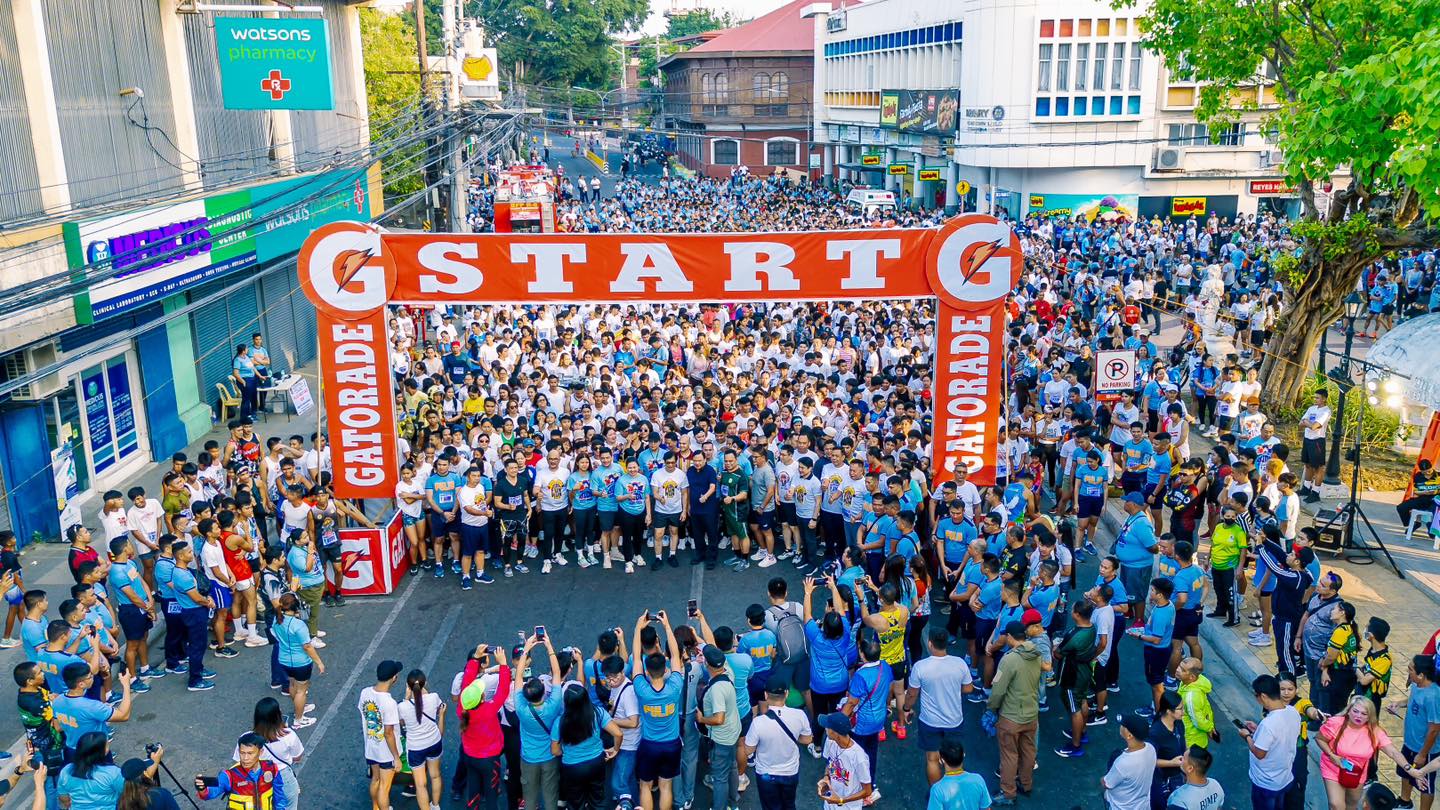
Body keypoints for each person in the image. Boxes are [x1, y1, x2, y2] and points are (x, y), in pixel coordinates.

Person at [906, 627, 974, 784]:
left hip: (930, 721)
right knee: (954, 759)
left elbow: (912, 694)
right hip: (954, 720)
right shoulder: (959, 663)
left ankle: (936, 792)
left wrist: (906, 709)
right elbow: (968, 688)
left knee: (932, 759)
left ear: (930, 643)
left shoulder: (920, 667)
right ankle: (954, 791)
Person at [1315, 695, 1407, 810]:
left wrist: (1410, 769)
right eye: (1355, 711)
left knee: (1352, 804)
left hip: (1357, 772)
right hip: (1333, 766)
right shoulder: (1335, 723)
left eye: (1364, 714)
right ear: (1348, 711)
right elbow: (1320, 739)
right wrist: (1331, 754)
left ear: (1369, 717)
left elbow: (1393, 752)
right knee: (1336, 805)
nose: (1358, 716)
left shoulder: (1375, 732)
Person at [986, 621, 1042, 806]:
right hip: (1031, 713)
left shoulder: (1009, 659)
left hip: (1011, 716)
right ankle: (1026, 784)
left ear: (1010, 637)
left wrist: (991, 709)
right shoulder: (1036, 653)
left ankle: (1008, 792)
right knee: (1028, 751)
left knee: (1009, 755)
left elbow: (998, 690)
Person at [743, 676, 813, 810]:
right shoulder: (799, 715)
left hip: (766, 773)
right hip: (790, 771)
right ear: (786, 693)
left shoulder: (758, 723)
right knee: (789, 805)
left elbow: (748, 750)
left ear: (766, 695)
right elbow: (807, 739)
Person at [553, 681, 625, 810]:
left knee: (576, 803)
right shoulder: (598, 713)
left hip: (572, 766)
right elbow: (618, 733)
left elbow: (555, 751)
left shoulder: (560, 722)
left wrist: (566, 752)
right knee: (598, 800)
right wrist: (615, 750)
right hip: (596, 762)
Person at [458, 645, 510, 810]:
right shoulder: (489, 710)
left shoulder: (462, 709)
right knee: (491, 796)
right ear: (482, 698)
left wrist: (474, 659)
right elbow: (503, 690)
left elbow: (465, 685)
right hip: (489, 760)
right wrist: (503, 665)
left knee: (473, 794)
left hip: (470, 757)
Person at [1238, 675, 1302, 810]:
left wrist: (1247, 736)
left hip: (1266, 781)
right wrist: (1257, 730)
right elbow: (1282, 736)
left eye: (1256, 695)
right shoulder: (1293, 712)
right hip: (1284, 776)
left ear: (1263, 696)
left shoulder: (1268, 724)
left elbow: (1259, 753)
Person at [1388, 656, 1440, 810]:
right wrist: (1399, 704)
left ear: (1421, 675)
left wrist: (1423, 754)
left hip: (1425, 749)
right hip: (1410, 742)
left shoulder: (1434, 697)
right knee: (1406, 771)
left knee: (1425, 783)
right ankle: (1405, 801)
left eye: (1410, 669)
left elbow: (1434, 729)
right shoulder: (1417, 685)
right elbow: (1413, 701)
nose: (1408, 671)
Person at [196, 732, 288, 810]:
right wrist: (202, 789)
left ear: (260, 752)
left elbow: (279, 797)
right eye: (242, 753)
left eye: (250, 753)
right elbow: (209, 794)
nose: (245, 758)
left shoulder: (271, 768)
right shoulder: (230, 775)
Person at [273, 593, 324, 729]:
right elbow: (307, 646)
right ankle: (298, 720)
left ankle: (300, 706)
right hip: (300, 662)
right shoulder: (299, 625)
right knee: (301, 690)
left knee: (292, 684)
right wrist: (319, 662)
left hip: (283, 660)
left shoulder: (277, 620)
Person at [358, 660, 404, 810]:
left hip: (371, 747)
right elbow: (388, 732)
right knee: (384, 787)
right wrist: (396, 757)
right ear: (394, 678)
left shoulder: (365, 692)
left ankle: (375, 807)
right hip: (386, 753)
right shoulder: (389, 703)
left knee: (375, 780)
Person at [243, 698, 304, 810]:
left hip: (257, 781)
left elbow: (241, 762)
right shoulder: (289, 735)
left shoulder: (246, 738)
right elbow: (298, 757)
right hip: (284, 779)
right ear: (277, 716)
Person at [816, 712, 872, 810]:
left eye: (827, 727)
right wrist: (826, 777)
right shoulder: (830, 741)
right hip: (830, 803)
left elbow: (867, 791)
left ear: (835, 733)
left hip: (849, 807)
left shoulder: (859, 757)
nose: (825, 729)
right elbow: (829, 762)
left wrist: (841, 800)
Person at [57, 732, 123, 810]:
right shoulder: (113, 773)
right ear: (102, 752)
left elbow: (64, 798)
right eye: (107, 745)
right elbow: (125, 792)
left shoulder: (66, 771)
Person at [1103, 714, 1157, 810]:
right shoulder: (1150, 748)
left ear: (1129, 735)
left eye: (1124, 725)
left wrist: (1102, 779)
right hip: (1143, 805)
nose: (1121, 726)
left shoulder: (1123, 763)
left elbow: (1107, 784)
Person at [1147, 691, 1187, 809]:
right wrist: (1171, 763)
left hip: (1179, 775)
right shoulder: (1155, 733)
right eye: (1180, 709)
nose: (1183, 712)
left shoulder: (1178, 723)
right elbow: (1149, 760)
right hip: (1163, 780)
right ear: (1169, 711)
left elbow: (1183, 743)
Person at [926, 740, 991, 810]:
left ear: (941, 760)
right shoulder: (978, 780)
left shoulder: (937, 789)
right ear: (963, 755)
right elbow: (986, 808)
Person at [1165, 746, 1224, 810]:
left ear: (1190, 768)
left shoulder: (1178, 800)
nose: (1180, 759)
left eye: (1183, 758)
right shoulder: (1216, 785)